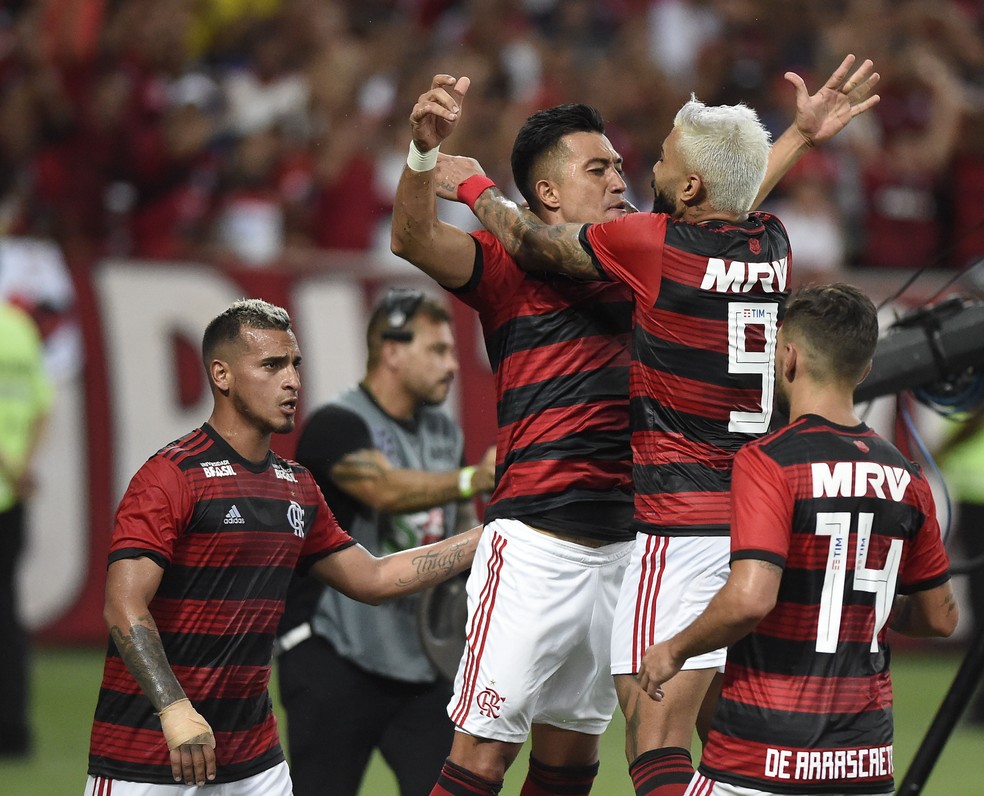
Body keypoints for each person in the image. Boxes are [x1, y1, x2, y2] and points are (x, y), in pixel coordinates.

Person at [391, 55, 879, 796]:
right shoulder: (504, 263)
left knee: (571, 764)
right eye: (599, 168)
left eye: (624, 164)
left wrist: (800, 138)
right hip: (539, 548)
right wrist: (425, 154)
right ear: (547, 191)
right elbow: (412, 238)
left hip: (637, 550)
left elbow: (720, 196)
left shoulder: (651, 246)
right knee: (480, 762)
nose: (622, 178)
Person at [84, 298, 483, 795]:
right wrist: (174, 708)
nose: (292, 380)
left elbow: (373, 579)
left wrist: (488, 537)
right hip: (150, 754)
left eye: (295, 364)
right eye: (272, 365)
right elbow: (123, 602)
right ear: (222, 375)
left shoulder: (295, 485)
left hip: (254, 762)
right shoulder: (170, 476)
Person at [637, 283, 958, 795]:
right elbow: (941, 618)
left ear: (787, 358)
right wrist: (861, 602)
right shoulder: (907, 477)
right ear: (866, 369)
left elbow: (750, 598)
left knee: (653, 753)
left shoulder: (770, 461)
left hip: (762, 759)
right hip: (865, 762)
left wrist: (674, 650)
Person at [276, 288, 495, 796]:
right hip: (336, 654)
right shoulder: (337, 425)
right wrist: (471, 480)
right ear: (393, 352)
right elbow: (384, 488)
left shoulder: (443, 431)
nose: (452, 366)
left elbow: (461, 534)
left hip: (422, 664)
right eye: (437, 350)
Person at [0, 299, 53, 759]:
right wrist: (22, 469)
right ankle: (13, 732)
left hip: (8, 483)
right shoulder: (19, 326)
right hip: (12, 498)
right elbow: (42, 407)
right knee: (7, 615)